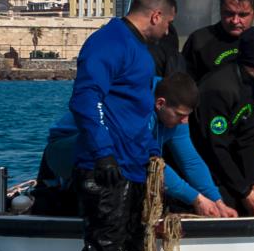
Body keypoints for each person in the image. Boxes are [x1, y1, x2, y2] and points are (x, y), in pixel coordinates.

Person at [67, 0, 184, 251]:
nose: (168, 31)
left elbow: (136, 112)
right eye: (168, 23)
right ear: (155, 16)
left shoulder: (139, 52)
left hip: (134, 166)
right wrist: (102, 153)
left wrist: (152, 151)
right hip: (107, 169)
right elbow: (87, 98)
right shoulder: (109, 43)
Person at [37, 73, 238, 219]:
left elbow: (190, 161)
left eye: (188, 116)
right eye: (180, 115)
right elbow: (148, 162)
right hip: (64, 149)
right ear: (160, 104)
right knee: (127, 156)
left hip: (109, 157)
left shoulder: (175, 106)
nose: (184, 121)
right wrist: (195, 199)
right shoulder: (135, 109)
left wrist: (216, 201)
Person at [191, 27, 254, 216]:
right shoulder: (219, 90)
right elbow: (214, 148)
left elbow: (248, 136)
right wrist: (243, 191)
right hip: (208, 172)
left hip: (229, 167)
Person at [183, 0, 254, 81]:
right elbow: (185, 85)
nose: (235, 21)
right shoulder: (199, 40)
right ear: (220, 10)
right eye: (229, 13)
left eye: (243, 15)